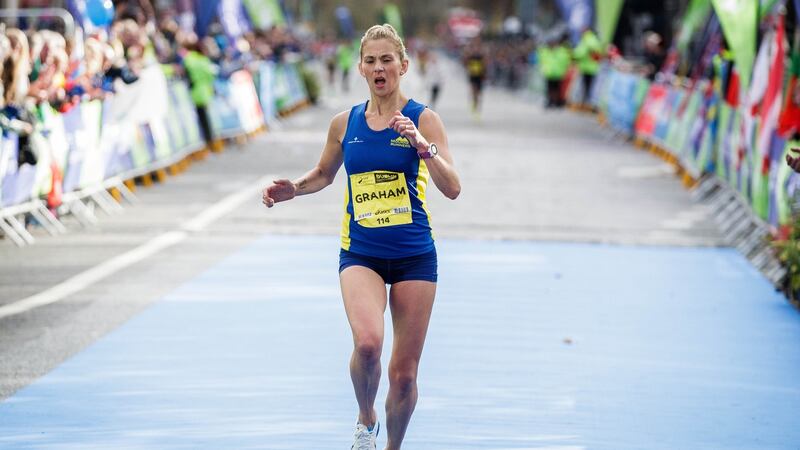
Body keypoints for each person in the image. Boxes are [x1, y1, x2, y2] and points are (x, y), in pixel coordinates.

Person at [262, 23, 461, 450]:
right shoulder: (344, 123)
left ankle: (392, 447)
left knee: (404, 374)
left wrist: (421, 144)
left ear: (403, 66)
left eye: (387, 59)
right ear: (361, 69)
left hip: (414, 256)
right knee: (368, 344)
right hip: (361, 253)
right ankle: (366, 417)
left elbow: (453, 187)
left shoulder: (425, 119)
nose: (378, 67)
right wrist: (293, 188)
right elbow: (323, 174)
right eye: (370, 60)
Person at [462, 39, 486, 115]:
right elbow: (465, 63)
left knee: (479, 93)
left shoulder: (481, 55)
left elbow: (485, 65)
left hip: (479, 76)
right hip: (472, 75)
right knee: (474, 90)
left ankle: (477, 105)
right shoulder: (470, 55)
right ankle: (473, 103)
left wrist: (484, 74)